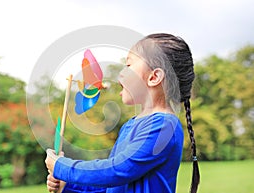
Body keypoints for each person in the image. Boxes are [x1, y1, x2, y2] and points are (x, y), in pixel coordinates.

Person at [45, 33, 200, 193]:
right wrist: (68, 186)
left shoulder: (164, 127)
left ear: (154, 77)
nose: (120, 73)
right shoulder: (130, 126)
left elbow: (117, 171)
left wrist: (62, 167)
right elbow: (111, 186)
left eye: (128, 66)